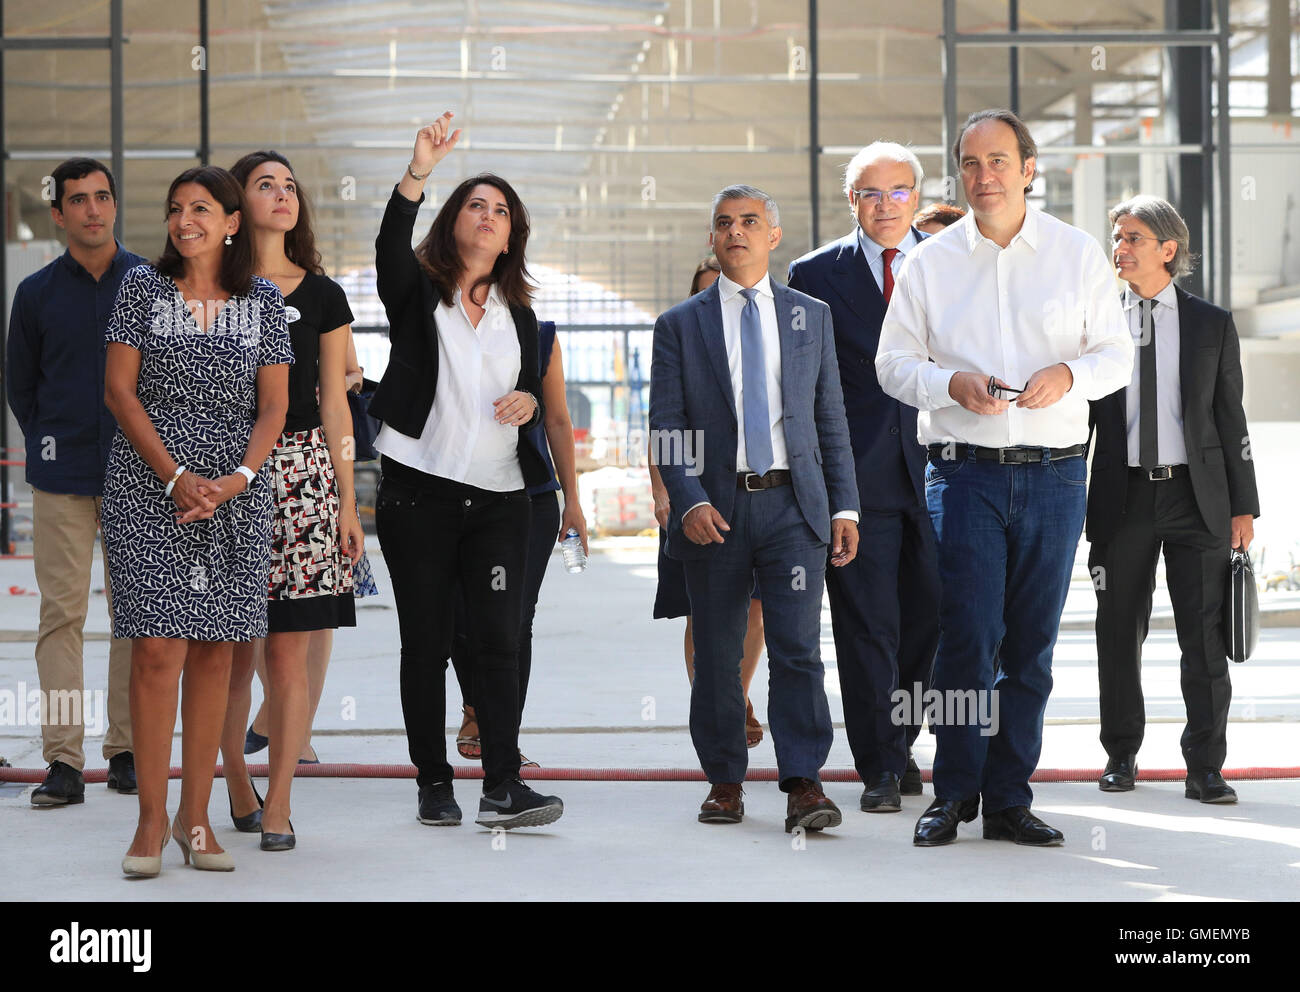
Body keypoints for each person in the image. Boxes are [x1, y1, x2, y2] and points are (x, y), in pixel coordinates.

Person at [876, 109, 1133, 848]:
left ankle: (1010, 797)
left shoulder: (1077, 254)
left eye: (998, 161)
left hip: (1055, 478)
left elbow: (1115, 356)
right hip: (964, 477)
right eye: (970, 163)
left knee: (1031, 646)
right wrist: (948, 383)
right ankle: (954, 793)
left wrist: (1069, 373)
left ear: (1028, 169)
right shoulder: (928, 263)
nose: (983, 176)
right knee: (965, 640)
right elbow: (891, 365)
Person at [370, 111, 563, 830]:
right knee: (424, 641)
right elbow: (391, 243)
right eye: (475, 206)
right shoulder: (418, 291)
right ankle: (433, 782)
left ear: (513, 235)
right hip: (419, 493)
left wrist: (525, 403)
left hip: (501, 499)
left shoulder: (522, 316)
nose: (487, 217)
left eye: (501, 210)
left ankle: (504, 785)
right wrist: (418, 171)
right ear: (453, 222)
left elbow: (533, 404)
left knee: (499, 639)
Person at [650, 184, 860, 832]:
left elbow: (829, 418)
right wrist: (688, 500)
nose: (735, 231)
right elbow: (668, 426)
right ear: (712, 239)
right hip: (715, 514)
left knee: (798, 649)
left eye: (749, 221)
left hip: (793, 511)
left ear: (772, 236)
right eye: (723, 223)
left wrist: (845, 506)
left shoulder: (809, 316)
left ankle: (803, 784)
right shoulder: (679, 325)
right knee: (717, 653)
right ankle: (724, 781)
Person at [103, 166, 291, 876]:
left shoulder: (263, 301)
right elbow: (121, 391)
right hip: (150, 487)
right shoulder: (142, 290)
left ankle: (197, 819)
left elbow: (272, 406)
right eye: (177, 209)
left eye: (203, 208)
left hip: (237, 492)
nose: (187, 220)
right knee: (158, 650)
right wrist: (177, 477)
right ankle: (151, 822)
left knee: (216, 651)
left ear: (233, 222)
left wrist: (237, 479)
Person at [1087, 195, 1260, 803]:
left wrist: (1245, 506)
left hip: (1199, 499)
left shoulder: (1212, 323)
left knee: (1204, 638)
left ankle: (1205, 766)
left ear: (1168, 249)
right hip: (1122, 498)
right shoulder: (1095, 321)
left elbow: (1230, 418)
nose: (1120, 247)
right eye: (1117, 236)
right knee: (1117, 632)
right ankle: (1121, 756)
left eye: (1133, 237)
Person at [217, 151, 364, 851]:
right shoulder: (212, 287)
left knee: (289, 649)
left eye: (289, 185)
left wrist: (347, 500)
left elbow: (336, 403)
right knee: (230, 653)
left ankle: (278, 803)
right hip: (227, 473)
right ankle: (236, 786)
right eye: (264, 185)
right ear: (237, 205)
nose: (282, 195)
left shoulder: (327, 296)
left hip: (306, 475)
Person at [788, 141, 940, 812]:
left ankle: (901, 739)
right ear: (852, 200)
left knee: (929, 625)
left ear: (916, 195)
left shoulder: (954, 265)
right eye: (871, 194)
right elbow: (803, 384)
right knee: (865, 626)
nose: (886, 206)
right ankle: (879, 766)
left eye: (899, 191)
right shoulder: (813, 274)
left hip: (946, 471)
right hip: (857, 481)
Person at [6, 158, 143, 807]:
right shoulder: (35, 294)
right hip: (61, 476)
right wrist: (49, 439)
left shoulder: (148, 284)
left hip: (136, 472)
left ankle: (126, 750)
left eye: (102, 197)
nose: (93, 209)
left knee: (133, 617)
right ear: (57, 214)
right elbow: (20, 385)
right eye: (78, 200)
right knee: (61, 616)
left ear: (115, 205)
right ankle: (63, 759)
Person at [451, 317, 588, 765]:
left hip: (529, 498)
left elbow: (559, 420)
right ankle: (475, 706)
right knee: (461, 617)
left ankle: (502, 739)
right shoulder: (443, 324)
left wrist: (573, 502)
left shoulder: (540, 334)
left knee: (513, 622)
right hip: (454, 492)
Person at [242, 326, 379, 765]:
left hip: (315, 457)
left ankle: (296, 730)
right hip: (249, 455)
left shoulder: (322, 299)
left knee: (319, 612)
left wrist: (338, 384)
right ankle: (276, 710)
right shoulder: (232, 290)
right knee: (261, 603)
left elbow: (353, 374)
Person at [650, 256, 767, 750]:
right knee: (703, 611)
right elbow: (662, 423)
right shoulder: (679, 338)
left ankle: (735, 698)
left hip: (758, 498)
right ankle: (713, 702)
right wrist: (667, 494)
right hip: (693, 496)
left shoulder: (766, 341)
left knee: (755, 608)